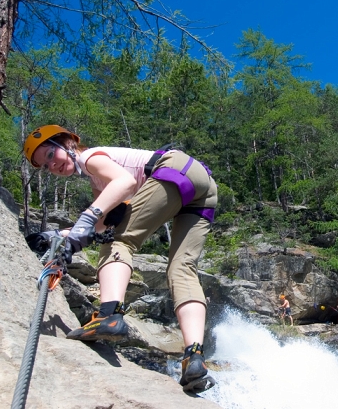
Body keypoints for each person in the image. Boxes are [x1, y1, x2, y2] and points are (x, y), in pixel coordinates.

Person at [23, 125, 217, 393]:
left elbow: (123, 183)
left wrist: (87, 217)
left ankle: (110, 315)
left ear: (67, 143)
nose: (50, 166)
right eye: (44, 166)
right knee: (182, 268)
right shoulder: (98, 182)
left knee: (119, 242)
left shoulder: (89, 158)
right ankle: (193, 357)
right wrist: (58, 235)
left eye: (49, 155)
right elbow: (101, 227)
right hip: (202, 186)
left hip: (174, 168)